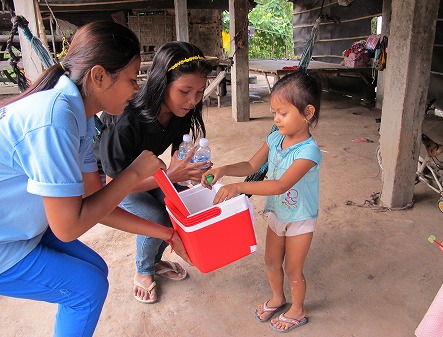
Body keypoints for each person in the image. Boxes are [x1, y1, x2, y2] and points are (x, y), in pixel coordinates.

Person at [0, 21, 192, 337]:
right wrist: (134, 173)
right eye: (132, 79)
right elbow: (68, 227)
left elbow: (96, 201)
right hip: (8, 239)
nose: (135, 89)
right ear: (99, 76)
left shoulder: (81, 117)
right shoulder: (56, 118)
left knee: (96, 271)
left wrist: (167, 234)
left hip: (21, 228)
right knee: (86, 288)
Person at [201, 71, 322, 333]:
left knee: (293, 269)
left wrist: (239, 187)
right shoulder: (276, 139)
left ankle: (298, 309)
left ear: (308, 112)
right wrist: (223, 170)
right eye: (274, 112)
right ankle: (278, 298)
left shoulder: (309, 152)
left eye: (283, 113)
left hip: (300, 218)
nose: (276, 119)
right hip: (278, 214)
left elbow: (280, 185)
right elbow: (252, 164)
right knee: (270, 260)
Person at [96, 41, 213, 304]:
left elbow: (177, 156)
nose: (193, 101)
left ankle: (155, 260)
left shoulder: (180, 111)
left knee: (179, 206)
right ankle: (143, 270)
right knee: (155, 215)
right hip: (110, 180)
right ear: (162, 83)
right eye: (185, 91)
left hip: (146, 171)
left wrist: (190, 172)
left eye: (199, 92)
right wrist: (171, 176)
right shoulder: (125, 119)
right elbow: (115, 185)